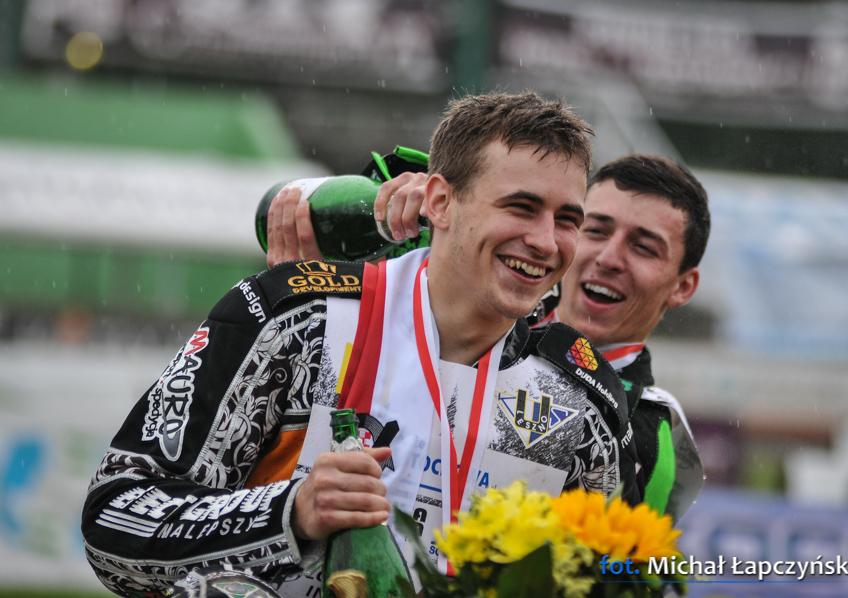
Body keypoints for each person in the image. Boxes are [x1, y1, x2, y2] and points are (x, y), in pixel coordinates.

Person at [82, 92, 633, 597]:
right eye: (520, 207)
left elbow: (620, 576)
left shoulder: (581, 398)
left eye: (568, 220)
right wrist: (291, 512)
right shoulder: (297, 320)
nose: (545, 241)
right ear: (440, 201)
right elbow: (114, 521)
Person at [267, 153, 710, 522]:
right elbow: (287, 207)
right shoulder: (466, 295)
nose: (609, 258)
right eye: (595, 230)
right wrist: (405, 213)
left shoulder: (656, 430)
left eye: (643, 247)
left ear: (683, 286)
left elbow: (612, 571)